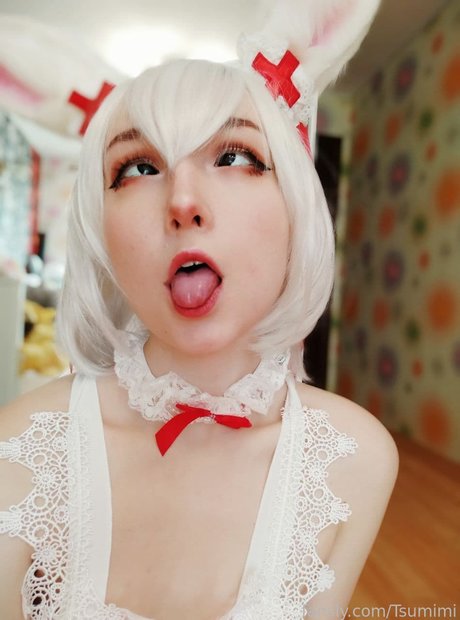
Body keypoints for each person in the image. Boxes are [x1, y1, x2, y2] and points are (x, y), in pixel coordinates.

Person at [0, 2, 398, 619]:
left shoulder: (356, 459)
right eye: (139, 167)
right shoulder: (21, 448)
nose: (183, 201)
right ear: (101, 230)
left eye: (235, 157)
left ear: (294, 205)